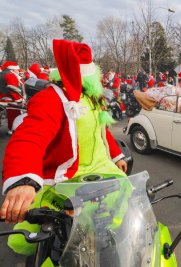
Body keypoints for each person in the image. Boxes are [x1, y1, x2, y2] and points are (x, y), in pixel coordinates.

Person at [1, 39, 128, 255]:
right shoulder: (52, 99)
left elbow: (101, 130)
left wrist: (117, 156)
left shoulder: (92, 99)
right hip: (68, 178)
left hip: (101, 171)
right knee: (32, 240)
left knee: (124, 197)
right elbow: (30, 136)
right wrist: (22, 180)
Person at [0, 61, 24, 134]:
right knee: (14, 114)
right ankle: (13, 129)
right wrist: (19, 100)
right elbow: (13, 89)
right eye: (17, 69)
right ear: (12, 69)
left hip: (2, 97)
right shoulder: (10, 75)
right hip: (10, 99)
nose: (18, 71)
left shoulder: (2, 73)